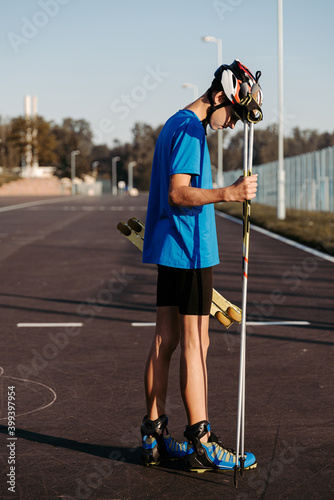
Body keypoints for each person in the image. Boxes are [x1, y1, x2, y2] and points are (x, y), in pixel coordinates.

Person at [140, 60, 263, 472]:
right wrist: (230, 192)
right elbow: (179, 194)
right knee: (197, 343)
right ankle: (202, 440)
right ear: (217, 97)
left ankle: (154, 434)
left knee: (165, 340)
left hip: (171, 248)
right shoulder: (192, 131)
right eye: (233, 113)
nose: (231, 125)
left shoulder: (174, 123)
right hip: (190, 249)